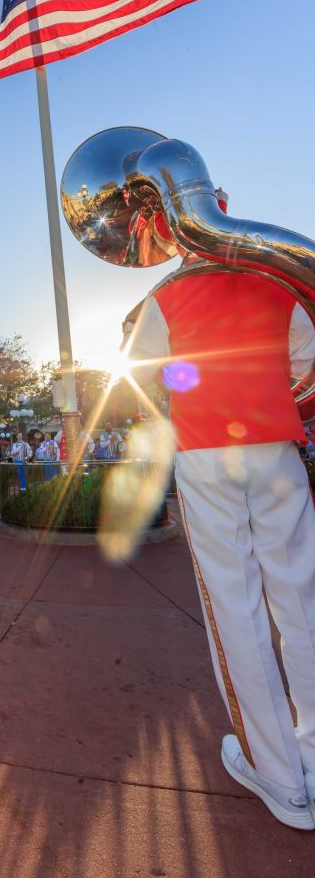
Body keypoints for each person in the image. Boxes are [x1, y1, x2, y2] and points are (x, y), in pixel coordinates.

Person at [128, 239, 315, 830]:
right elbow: (307, 363)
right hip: (276, 446)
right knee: (301, 601)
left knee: (234, 606)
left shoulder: (166, 293)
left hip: (207, 450)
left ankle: (281, 779)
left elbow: (140, 365)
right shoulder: (280, 283)